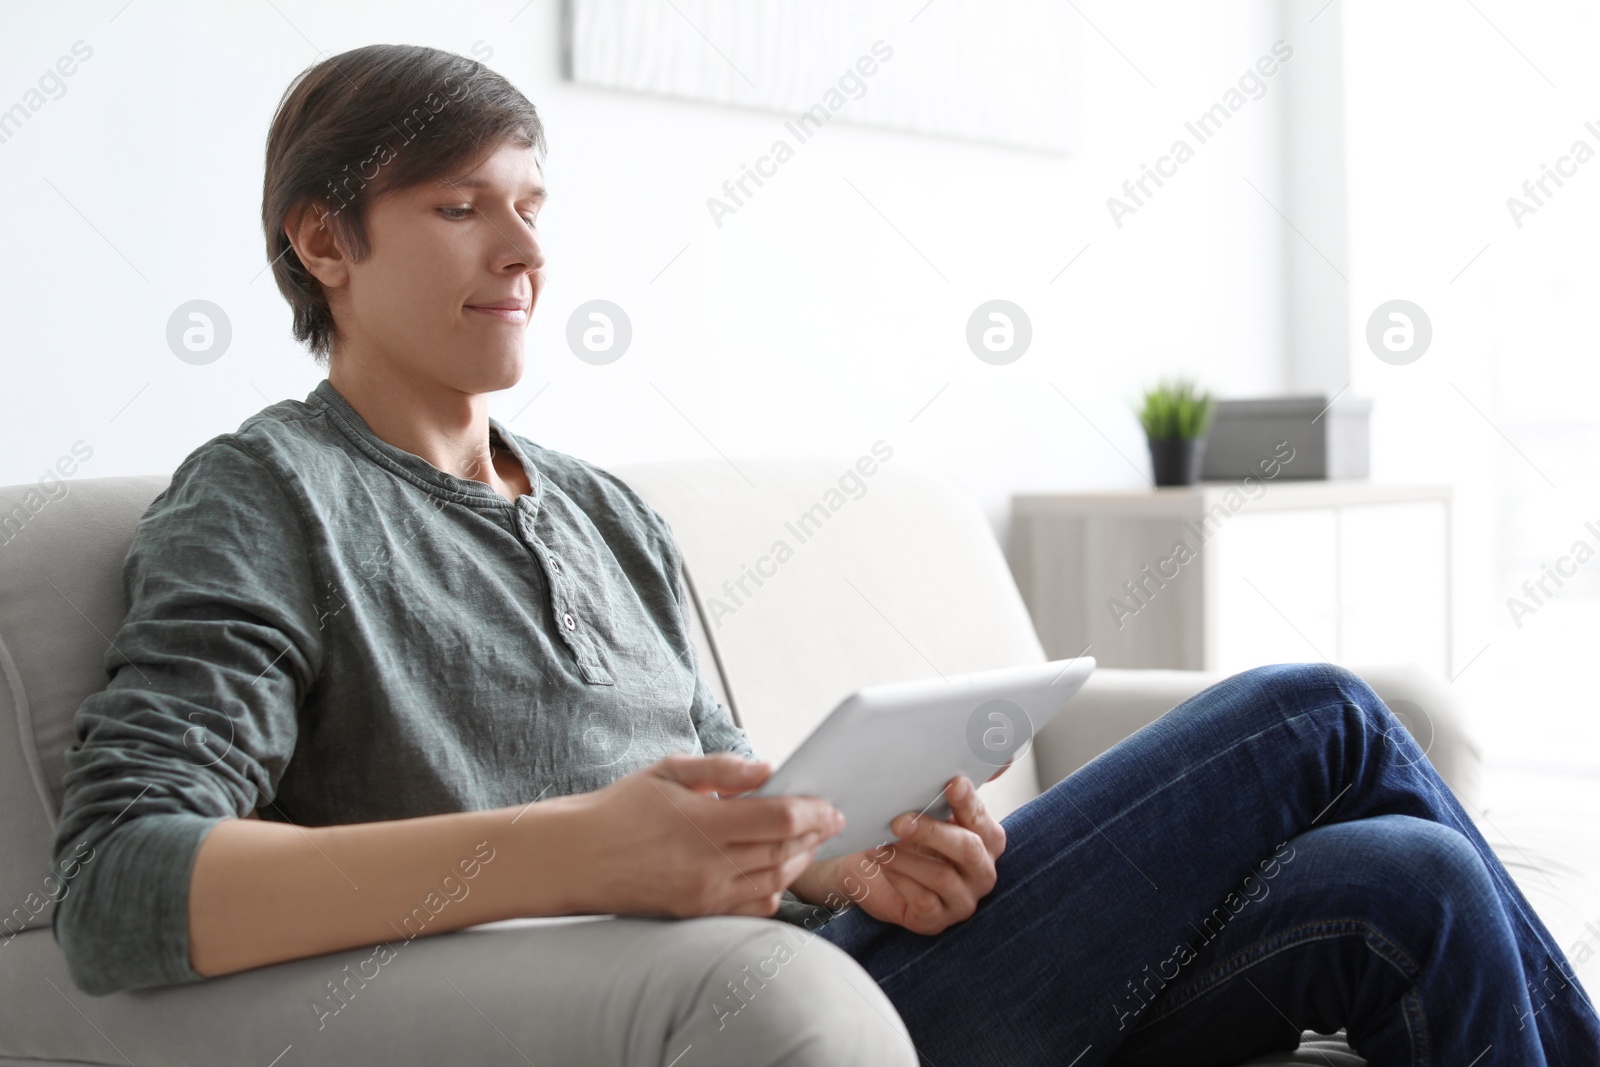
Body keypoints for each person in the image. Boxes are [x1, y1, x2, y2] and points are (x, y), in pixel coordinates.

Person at [51, 44, 1598, 1067]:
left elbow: (734, 789)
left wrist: (845, 854)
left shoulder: (603, 510)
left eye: (533, 206)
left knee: (1407, 882)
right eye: (460, 210)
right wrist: (583, 848)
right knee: (1316, 709)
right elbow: (121, 890)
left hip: (848, 961)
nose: (526, 254)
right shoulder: (269, 498)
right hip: (734, 1020)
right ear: (324, 243)